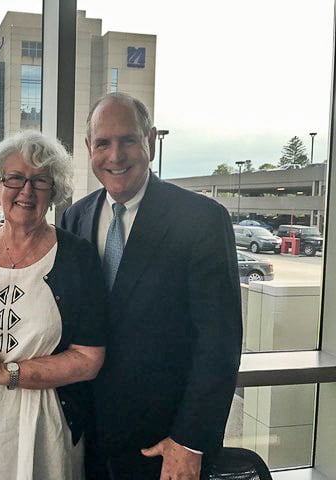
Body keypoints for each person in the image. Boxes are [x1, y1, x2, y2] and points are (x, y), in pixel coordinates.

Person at [61, 92, 243, 480]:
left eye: (128, 140)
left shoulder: (201, 220)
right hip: (86, 443)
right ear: (88, 148)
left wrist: (190, 441)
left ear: (151, 141)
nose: (115, 155)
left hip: (164, 449)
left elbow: (220, 342)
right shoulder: (76, 217)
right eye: (103, 143)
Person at [0, 130, 107, 480]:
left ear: (53, 191)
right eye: (14, 178)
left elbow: (89, 360)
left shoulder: (78, 258)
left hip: (44, 432)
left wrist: (7, 373)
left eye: (40, 181)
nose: (26, 190)